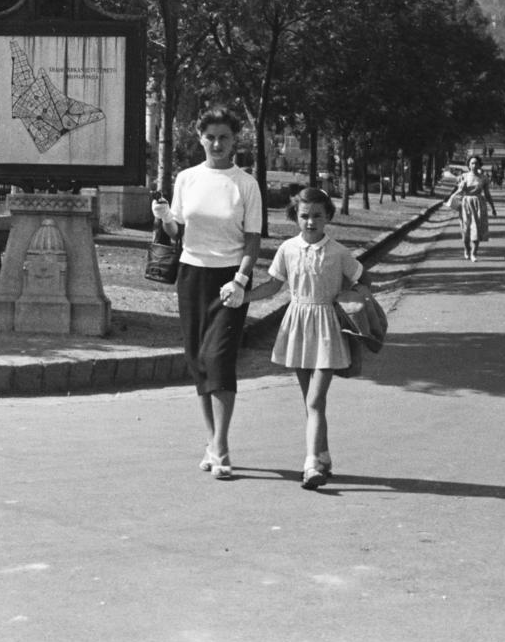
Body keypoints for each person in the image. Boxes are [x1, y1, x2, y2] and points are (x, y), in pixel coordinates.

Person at [151, 106, 263, 481]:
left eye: (224, 137)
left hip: (230, 278)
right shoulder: (187, 178)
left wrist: (241, 280)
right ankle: (212, 442)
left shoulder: (245, 184)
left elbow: (253, 240)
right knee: (199, 358)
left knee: (220, 358)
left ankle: (222, 446)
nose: (217, 144)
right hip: (192, 275)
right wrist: (164, 216)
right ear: (200, 138)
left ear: (235, 141)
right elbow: (177, 232)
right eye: (210, 137)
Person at [244, 187, 366, 490]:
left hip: (327, 328)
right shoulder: (287, 249)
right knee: (310, 401)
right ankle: (323, 456)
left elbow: (361, 280)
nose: (311, 222)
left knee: (315, 399)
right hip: (297, 324)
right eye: (304, 216)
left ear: (327, 217)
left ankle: (310, 464)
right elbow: (273, 285)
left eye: (317, 216)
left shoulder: (338, 252)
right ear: (295, 217)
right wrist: (242, 298)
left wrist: (354, 304)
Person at [446, 154, 498, 261]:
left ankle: (474, 253)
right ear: (469, 165)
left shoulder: (483, 178)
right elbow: (457, 190)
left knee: (476, 229)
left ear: (479, 165)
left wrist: (493, 208)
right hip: (466, 204)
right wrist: (456, 194)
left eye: (476, 163)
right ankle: (467, 249)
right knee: (465, 230)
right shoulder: (463, 176)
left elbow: (487, 194)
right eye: (472, 163)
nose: (474, 165)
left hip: (479, 204)